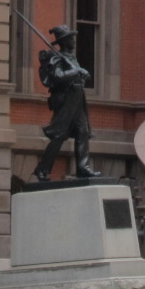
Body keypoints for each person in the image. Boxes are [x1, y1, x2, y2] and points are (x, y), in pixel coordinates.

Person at [33, 25, 98, 181]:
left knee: (82, 132)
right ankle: (42, 169)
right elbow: (58, 76)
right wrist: (77, 71)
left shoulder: (72, 58)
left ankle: (83, 168)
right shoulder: (56, 57)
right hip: (67, 100)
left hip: (78, 97)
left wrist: (81, 75)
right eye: (70, 38)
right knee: (59, 135)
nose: (73, 40)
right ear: (64, 41)